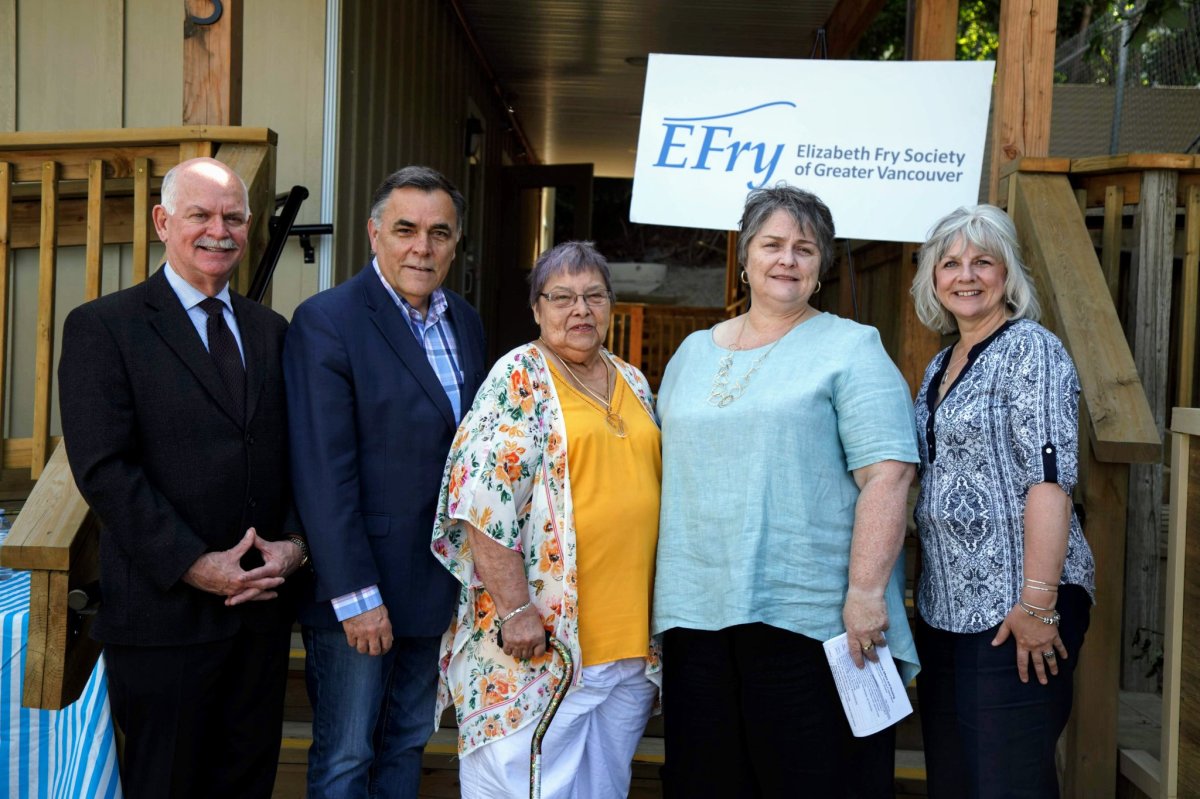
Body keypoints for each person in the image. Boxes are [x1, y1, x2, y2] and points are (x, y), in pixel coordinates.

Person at [652, 184, 920, 798]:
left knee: (813, 780)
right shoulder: (692, 353)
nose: (787, 260)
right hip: (696, 613)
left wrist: (866, 592)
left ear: (821, 265)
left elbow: (889, 474)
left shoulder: (853, 348)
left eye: (804, 248)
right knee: (707, 782)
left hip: (810, 616)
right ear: (744, 257)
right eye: (772, 244)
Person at [57, 157, 308, 799]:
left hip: (259, 616)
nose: (217, 231)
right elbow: (105, 471)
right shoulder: (103, 328)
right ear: (163, 222)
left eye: (232, 218)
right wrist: (196, 563)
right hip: (162, 617)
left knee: (247, 784)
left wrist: (296, 544)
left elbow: (302, 455)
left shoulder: (272, 331)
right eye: (200, 215)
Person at [284, 166, 487, 798]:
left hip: (435, 579)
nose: (421, 248)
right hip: (359, 587)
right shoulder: (327, 320)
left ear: (455, 244)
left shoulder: (467, 324)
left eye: (438, 233)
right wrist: (354, 594)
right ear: (374, 234)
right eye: (405, 229)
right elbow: (322, 469)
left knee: (404, 744)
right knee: (347, 756)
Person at [432, 240, 661, 798]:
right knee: (524, 789)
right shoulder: (518, 378)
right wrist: (515, 610)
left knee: (601, 791)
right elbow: (482, 505)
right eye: (561, 297)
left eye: (594, 296)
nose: (579, 310)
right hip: (542, 645)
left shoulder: (632, 379)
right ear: (536, 308)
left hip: (627, 644)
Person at [909, 204, 1095, 798]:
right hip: (947, 610)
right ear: (933, 279)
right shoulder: (941, 363)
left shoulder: (1030, 351)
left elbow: (1049, 479)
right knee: (956, 777)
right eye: (951, 263)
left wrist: (1038, 605)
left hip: (1018, 607)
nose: (967, 275)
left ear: (1007, 274)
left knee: (1007, 780)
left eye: (983, 262)